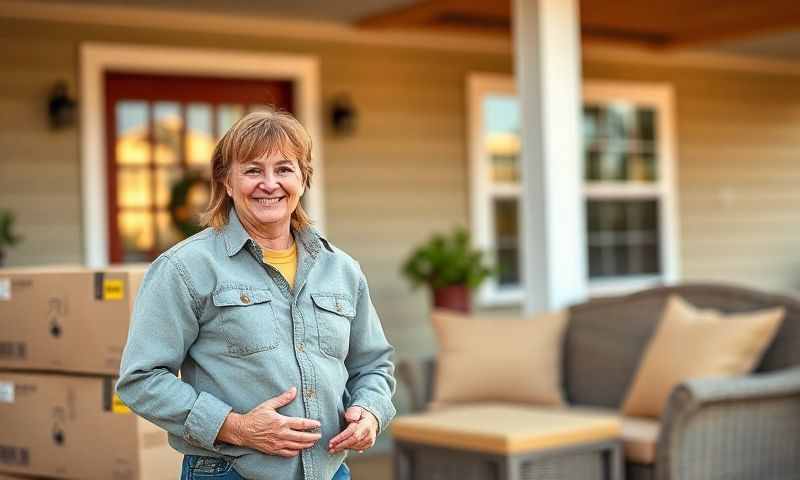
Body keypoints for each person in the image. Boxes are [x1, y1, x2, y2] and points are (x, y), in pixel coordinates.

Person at [117, 109, 397, 480]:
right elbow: (141, 379)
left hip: (330, 471)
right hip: (228, 471)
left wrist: (371, 411)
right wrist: (235, 427)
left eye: (284, 169)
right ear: (227, 183)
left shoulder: (341, 269)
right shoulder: (185, 268)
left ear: (303, 178)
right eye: (252, 170)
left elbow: (373, 365)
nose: (270, 183)